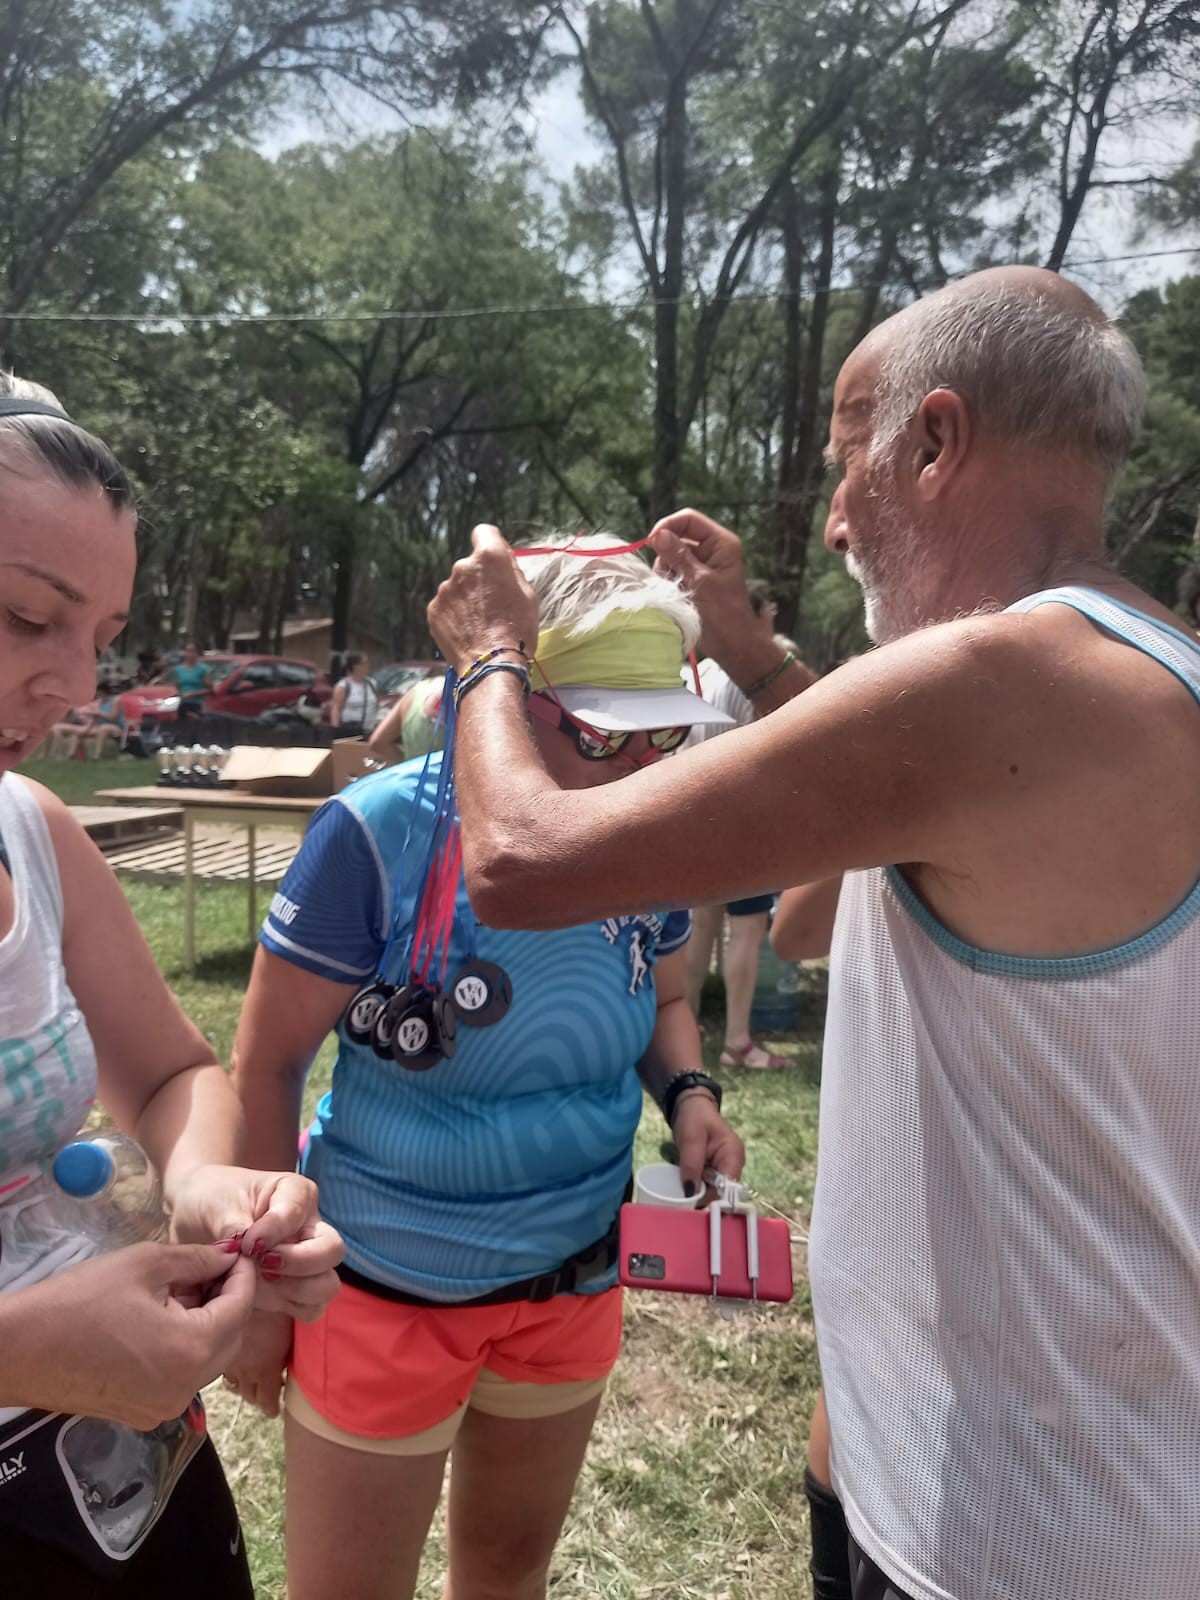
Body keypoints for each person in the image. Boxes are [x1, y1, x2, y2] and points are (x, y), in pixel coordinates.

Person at [425, 266, 1200, 1600]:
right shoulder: (1143, 665)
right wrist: (748, 653)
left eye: (850, 462)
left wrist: (494, 651)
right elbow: (804, 921)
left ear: (937, 442)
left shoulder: (1005, 680)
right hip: (964, 1454)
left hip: (1026, 1527)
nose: (837, 520)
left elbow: (519, 860)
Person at [226, 533, 746, 1600]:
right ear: (499, 695)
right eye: (606, 734)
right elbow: (269, 1061)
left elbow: (666, 995)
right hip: (380, 1289)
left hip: (571, 1284)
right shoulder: (378, 833)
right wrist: (264, 1289)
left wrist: (689, 1090)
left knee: (509, 1573)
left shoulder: (646, 836)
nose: (641, 768)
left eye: (663, 737)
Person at [0, 374, 344, 1593]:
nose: (76, 685)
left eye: (99, 637)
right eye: (24, 616)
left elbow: (166, 1071)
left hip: (117, 1461)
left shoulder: (33, 833)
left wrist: (203, 1186)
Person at [683, 578, 804, 1068]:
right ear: (756, 617)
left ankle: (683, 1029)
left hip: (694, 815)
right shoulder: (751, 679)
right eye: (767, 611)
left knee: (699, 928)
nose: (772, 617)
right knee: (746, 931)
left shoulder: (702, 672)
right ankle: (737, 1043)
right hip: (743, 819)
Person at [366, 669, 445, 765]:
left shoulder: (414, 693)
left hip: (414, 772)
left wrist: (408, 764)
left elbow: (377, 743)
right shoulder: (455, 693)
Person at [329, 650, 379, 738]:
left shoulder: (371, 683)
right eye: (364, 663)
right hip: (350, 731)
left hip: (369, 731)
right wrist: (335, 731)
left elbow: (376, 705)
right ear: (355, 666)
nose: (367, 665)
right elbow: (336, 709)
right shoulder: (344, 686)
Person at [165, 640, 213, 720]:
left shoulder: (203, 669)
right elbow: (175, 688)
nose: (190, 654)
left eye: (193, 651)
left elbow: (209, 690)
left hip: (197, 705)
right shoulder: (178, 670)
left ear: (197, 653)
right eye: (188, 651)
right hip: (181, 705)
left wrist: (192, 694)